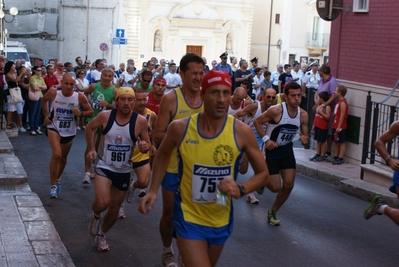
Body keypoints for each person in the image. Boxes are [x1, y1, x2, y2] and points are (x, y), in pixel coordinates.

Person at [138, 70, 277, 267]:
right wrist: (152, 190)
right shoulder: (181, 128)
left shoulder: (241, 132)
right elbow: (162, 155)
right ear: (202, 95)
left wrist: (241, 188)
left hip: (220, 217)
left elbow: (264, 174)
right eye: (214, 93)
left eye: (225, 93)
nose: (221, 99)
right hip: (189, 216)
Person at [151, 53, 204, 267]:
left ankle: (187, 254)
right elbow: (158, 134)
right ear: (181, 74)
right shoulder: (172, 98)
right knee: (169, 214)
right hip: (173, 167)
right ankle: (166, 249)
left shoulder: (208, 97)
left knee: (194, 216)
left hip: (199, 169)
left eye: (202, 73)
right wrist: (184, 140)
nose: (199, 78)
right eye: (194, 73)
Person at [86, 87, 150, 252]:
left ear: (134, 102)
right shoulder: (105, 116)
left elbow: (146, 144)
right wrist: (91, 148)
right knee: (102, 203)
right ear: (116, 101)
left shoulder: (140, 121)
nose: (126, 103)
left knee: (114, 208)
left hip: (123, 170)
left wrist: (144, 146)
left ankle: (101, 234)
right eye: (123, 99)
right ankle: (96, 214)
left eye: (130, 100)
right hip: (104, 166)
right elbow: (89, 128)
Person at [253, 82, 309, 226]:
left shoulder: (303, 115)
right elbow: (257, 122)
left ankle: (273, 212)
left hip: (286, 150)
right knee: (275, 187)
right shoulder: (276, 111)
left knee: (289, 185)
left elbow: (305, 136)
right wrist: (266, 140)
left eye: (299, 95)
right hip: (271, 150)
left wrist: (304, 139)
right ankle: (262, 180)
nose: (297, 99)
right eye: (293, 96)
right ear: (285, 97)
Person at [42, 73, 93, 198]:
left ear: (74, 84)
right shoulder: (54, 92)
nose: (69, 86)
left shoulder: (79, 97)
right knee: (57, 154)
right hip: (54, 127)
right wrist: (46, 115)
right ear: (62, 82)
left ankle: (57, 179)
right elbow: (44, 100)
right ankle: (53, 186)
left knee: (63, 158)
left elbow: (90, 112)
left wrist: (80, 113)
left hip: (69, 130)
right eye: (66, 83)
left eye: (71, 84)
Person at [233, 87, 278, 204]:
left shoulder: (275, 110)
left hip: (263, 140)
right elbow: (236, 115)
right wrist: (242, 127)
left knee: (263, 168)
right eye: (268, 97)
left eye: (273, 97)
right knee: (243, 170)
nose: (271, 99)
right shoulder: (254, 107)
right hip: (248, 140)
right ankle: (231, 171)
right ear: (263, 96)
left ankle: (251, 191)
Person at [120, 90, 157, 219]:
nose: (142, 102)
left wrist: (152, 144)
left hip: (142, 154)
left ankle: (133, 186)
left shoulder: (151, 115)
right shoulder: (125, 114)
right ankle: (120, 207)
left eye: (144, 99)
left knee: (143, 182)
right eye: (139, 99)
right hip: (126, 155)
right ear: (133, 100)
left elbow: (155, 132)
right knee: (120, 186)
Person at [82, 68, 116, 184]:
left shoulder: (114, 91)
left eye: (109, 76)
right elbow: (85, 92)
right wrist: (87, 104)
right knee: (89, 146)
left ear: (112, 78)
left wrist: (108, 105)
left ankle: (93, 167)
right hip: (93, 119)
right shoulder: (94, 86)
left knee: (97, 147)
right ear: (101, 76)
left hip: (105, 122)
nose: (107, 78)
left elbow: (118, 107)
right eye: (105, 75)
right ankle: (86, 173)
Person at [364, 119, 399, 226]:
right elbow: (379, 142)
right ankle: (382, 207)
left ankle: (381, 207)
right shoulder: (397, 125)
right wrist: (389, 159)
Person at [315, 64, 338, 162]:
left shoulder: (332, 81)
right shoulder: (321, 81)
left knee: (328, 132)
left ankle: (327, 152)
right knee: (318, 130)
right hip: (319, 107)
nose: (318, 72)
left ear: (322, 71)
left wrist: (325, 105)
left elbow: (333, 96)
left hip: (329, 109)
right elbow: (317, 92)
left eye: (319, 70)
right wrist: (316, 100)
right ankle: (318, 152)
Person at [4, 61, 26, 131]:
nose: (14, 67)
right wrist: (21, 73)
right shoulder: (8, 74)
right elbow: (15, 80)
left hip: (15, 91)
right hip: (10, 92)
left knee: (13, 109)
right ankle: (8, 123)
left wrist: (22, 75)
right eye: (13, 66)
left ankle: (10, 123)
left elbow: (20, 81)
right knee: (10, 108)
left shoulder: (14, 73)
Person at [309, 91, 331, 161]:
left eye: (318, 97)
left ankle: (322, 155)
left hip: (323, 126)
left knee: (322, 141)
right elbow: (316, 116)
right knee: (318, 141)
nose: (317, 99)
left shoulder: (327, 107)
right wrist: (313, 125)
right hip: (317, 125)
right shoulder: (318, 106)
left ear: (321, 99)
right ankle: (318, 153)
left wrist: (321, 113)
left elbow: (327, 117)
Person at [331, 85, 348, 165]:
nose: (335, 92)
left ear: (340, 93)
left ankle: (340, 158)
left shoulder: (343, 103)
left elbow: (342, 115)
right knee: (337, 142)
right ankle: (336, 156)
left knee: (341, 142)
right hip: (335, 124)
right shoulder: (339, 101)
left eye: (336, 91)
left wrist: (339, 126)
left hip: (340, 126)